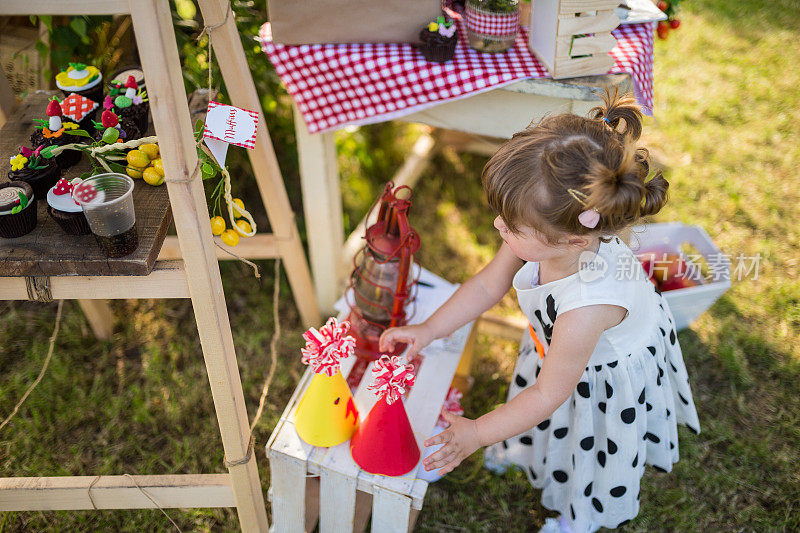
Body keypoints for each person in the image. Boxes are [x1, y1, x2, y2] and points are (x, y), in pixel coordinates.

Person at [379, 90, 700, 532]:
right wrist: (429, 329)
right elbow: (489, 284)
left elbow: (551, 394)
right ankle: (524, 451)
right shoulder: (551, 231)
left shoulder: (586, 307)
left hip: (600, 377)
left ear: (573, 241)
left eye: (510, 226)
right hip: (563, 355)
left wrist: (476, 433)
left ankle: (579, 516)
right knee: (542, 413)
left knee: (588, 449)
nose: (497, 227)